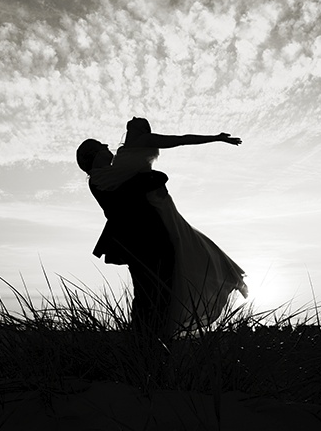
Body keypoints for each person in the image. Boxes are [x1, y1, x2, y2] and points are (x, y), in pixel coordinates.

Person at [91, 117, 248, 334]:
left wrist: (216, 138)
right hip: (148, 210)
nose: (133, 120)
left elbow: (181, 140)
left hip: (157, 203)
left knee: (185, 240)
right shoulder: (116, 160)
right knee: (184, 243)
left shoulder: (142, 141)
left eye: (137, 122)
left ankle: (228, 276)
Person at [76, 139, 175, 336]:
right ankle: (145, 346)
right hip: (141, 244)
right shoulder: (100, 180)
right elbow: (139, 186)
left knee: (158, 295)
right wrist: (148, 176)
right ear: (94, 155)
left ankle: (152, 344)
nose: (107, 147)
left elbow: (148, 180)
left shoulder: (114, 175)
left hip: (150, 240)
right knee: (149, 296)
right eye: (101, 146)